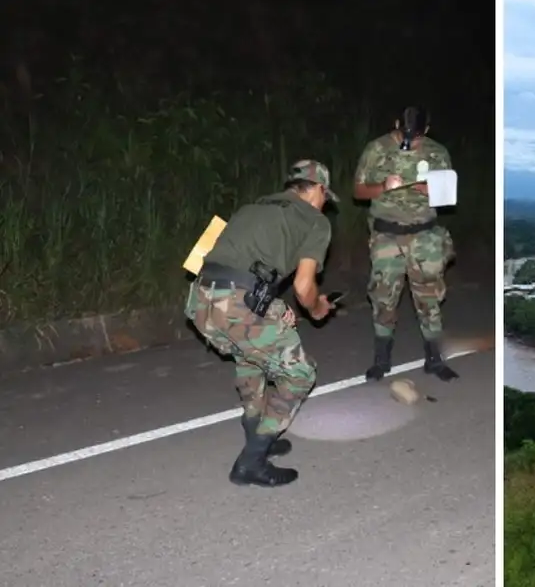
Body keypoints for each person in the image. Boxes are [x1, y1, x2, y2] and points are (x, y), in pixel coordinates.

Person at [184, 160, 336, 488]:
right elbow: (304, 288)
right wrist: (318, 308)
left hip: (199, 300)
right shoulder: (316, 221)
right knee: (299, 374)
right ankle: (251, 462)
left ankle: (256, 430)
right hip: (236, 303)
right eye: (326, 197)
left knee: (250, 355)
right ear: (319, 191)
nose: (325, 204)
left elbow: (202, 261)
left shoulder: (248, 207)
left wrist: (273, 306)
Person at [353, 106, 459, 383]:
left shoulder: (437, 152)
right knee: (383, 297)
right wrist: (383, 187)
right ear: (397, 124)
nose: (411, 140)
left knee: (429, 298)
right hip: (387, 235)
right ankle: (381, 360)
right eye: (406, 134)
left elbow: (448, 196)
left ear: (427, 128)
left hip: (425, 236)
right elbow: (358, 191)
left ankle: (435, 360)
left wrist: (433, 190)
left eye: (418, 135)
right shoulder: (376, 149)